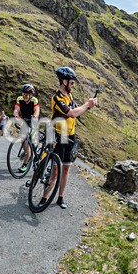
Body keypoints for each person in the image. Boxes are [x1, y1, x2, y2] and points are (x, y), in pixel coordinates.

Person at [41, 66, 98, 209]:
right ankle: (44, 198)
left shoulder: (70, 96)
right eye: (72, 82)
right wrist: (87, 104)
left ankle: (60, 197)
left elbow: (78, 111)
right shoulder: (57, 98)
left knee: (66, 169)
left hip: (70, 136)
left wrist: (89, 106)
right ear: (64, 82)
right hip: (59, 136)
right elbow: (71, 113)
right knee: (55, 172)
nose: (73, 85)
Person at [13, 84, 40, 171]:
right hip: (24, 120)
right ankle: (28, 153)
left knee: (29, 143)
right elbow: (16, 110)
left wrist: (35, 116)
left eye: (26, 94)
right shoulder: (19, 99)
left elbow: (37, 110)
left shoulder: (34, 100)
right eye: (23, 94)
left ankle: (25, 164)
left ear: (31, 95)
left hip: (33, 121)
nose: (24, 96)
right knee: (23, 141)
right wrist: (16, 116)